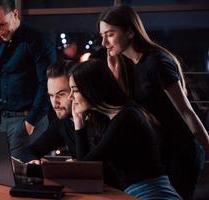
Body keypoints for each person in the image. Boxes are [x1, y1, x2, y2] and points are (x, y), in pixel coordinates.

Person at [98, 5, 207, 199]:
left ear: (130, 32)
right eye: (102, 35)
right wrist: (115, 77)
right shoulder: (128, 66)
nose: (104, 42)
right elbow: (130, 113)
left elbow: (186, 111)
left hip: (181, 151)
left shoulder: (157, 62)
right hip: (160, 150)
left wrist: (207, 147)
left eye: (110, 34)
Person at [68, 59, 181, 200]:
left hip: (154, 195)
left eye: (75, 90)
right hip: (136, 193)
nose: (70, 96)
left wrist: (79, 125)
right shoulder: (113, 118)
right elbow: (86, 170)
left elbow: (85, 168)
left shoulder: (127, 117)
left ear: (92, 88)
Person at [0, 0, 57, 159]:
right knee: (4, 174)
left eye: (2, 25)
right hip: (5, 120)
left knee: (23, 177)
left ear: (15, 14)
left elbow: (48, 84)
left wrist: (31, 121)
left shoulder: (38, 40)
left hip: (28, 119)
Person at [22, 59, 77, 162]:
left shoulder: (98, 120)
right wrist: (35, 161)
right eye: (51, 95)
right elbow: (30, 152)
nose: (55, 103)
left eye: (61, 94)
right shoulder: (62, 122)